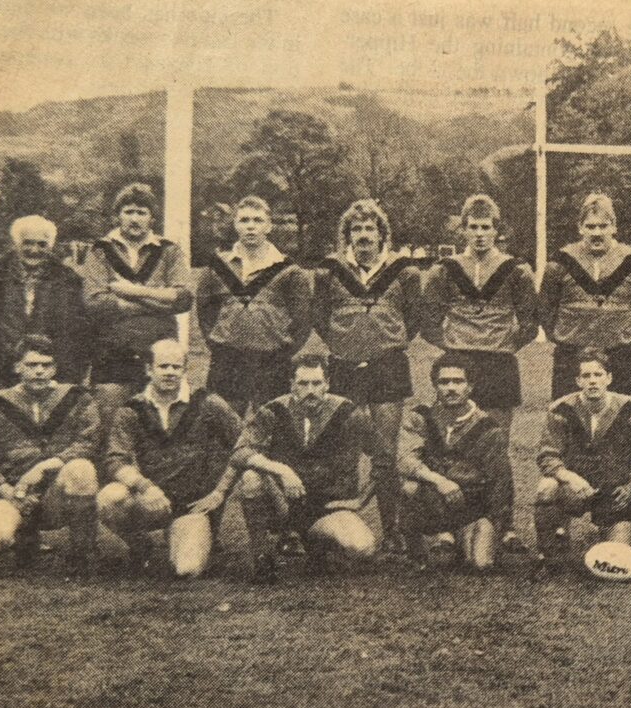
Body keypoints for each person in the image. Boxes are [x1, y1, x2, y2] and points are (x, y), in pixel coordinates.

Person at [420, 194, 537, 551]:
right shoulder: (445, 269)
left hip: (499, 365)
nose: (480, 234)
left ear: (496, 231)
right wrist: (454, 345)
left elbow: (530, 322)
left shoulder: (516, 269)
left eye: (486, 227)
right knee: (449, 445)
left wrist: (504, 345)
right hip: (458, 363)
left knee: (497, 448)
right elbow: (427, 320)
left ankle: (505, 526)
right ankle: (447, 526)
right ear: (464, 230)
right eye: (473, 227)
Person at [313, 199, 422, 554]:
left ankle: (392, 530)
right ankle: (341, 526)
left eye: (369, 229)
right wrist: (345, 343)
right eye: (356, 229)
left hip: (387, 367)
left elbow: (415, 316)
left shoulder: (403, 270)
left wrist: (386, 342)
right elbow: (319, 317)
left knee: (385, 453)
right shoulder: (329, 270)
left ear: (381, 235)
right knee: (342, 452)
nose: (363, 236)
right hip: (344, 367)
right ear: (347, 235)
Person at [96, 339, 242, 577]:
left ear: (185, 370)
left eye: (176, 367)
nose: (170, 373)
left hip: (191, 506)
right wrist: (145, 487)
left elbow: (244, 445)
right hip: (154, 500)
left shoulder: (208, 403)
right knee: (109, 499)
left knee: (188, 570)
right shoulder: (132, 409)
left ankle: (185, 534)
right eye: (163, 366)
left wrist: (220, 491)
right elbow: (115, 460)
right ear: (149, 369)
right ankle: (141, 546)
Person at [231, 354, 378, 583]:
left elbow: (385, 459)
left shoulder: (349, 413)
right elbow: (240, 452)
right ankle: (263, 557)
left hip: (327, 506)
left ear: (327, 384)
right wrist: (282, 470)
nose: (310, 390)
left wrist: (361, 500)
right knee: (251, 477)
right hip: (284, 501)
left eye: (317, 383)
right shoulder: (274, 410)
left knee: (361, 548)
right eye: (303, 383)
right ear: (292, 385)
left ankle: (317, 547)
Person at [0, 335, 99, 573]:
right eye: (32, 365)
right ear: (17, 367)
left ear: (55, 368)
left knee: (81, 469)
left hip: (57, 495)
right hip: (13, 493)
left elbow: (88, 442)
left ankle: (82, 553)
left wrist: (45, 466)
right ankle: (24, 540)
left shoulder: (77, 398)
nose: (39, 371)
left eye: (46, 365)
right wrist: (9, 492)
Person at [532, 348, 631, 578]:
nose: (592, 381)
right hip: (574, 489)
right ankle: (549, 555)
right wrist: (569, 477)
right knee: (546, 488)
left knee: (617, 560)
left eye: (598, 374)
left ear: (609, 378)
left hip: (613, 492)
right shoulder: (561, 409)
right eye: (586, 376)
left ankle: (605, 530)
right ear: (577, 381)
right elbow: (546, 455)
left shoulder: (630, 409)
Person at [0, 215, 90, 423]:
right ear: (17, 243)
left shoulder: (68, 279)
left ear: (50, 246)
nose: (34, 250)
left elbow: (77, 334)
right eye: (28, 243)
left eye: (41, 244)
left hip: (48, 369)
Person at [82, 184, 192, 430]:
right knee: (109, 423)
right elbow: (95, 304)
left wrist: (132, 292)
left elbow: (184, 299)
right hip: (113, 351)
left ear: (152, 217)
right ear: (117, 215)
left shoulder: (169, 251)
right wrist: (160, 301)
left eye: (141, 212)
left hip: (159, 352)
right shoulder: (100, 250)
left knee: (159, 422)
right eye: (129, 211)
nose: (135, 218)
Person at [196, 195, 312, 416]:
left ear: (268, 226)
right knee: (223, 430)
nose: (251, 227)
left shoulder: (289, 270)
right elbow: (204, 311)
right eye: (244, 220)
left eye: (257, 221)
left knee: (271, 429)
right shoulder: (216, 267)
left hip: (272, 361)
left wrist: (283, 350)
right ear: (236, 224)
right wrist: (218, 343)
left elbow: (303, 320)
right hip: (228, 360)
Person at [398, 352, 513, 571]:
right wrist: (438, 480)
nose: (451, 388)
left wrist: (496, 524)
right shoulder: (421, 417)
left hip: (472, 504)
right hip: (435, 498)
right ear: (435, 386)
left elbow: (501, 482)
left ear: (470, 386)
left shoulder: (488, 427)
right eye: (444, 382)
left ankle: (461, 534)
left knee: (481, 564)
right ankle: (418, 555)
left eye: (458, 381)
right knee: (409, 486)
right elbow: (404, 459)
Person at [539, 192, 631, 400]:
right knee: (567, 419)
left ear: (614, 227)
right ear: (580, 227)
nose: (597, 232)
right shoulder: (560, 262)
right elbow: (546, 311)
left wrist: (625, 341)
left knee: (617, 422)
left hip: (617, 355)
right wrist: (566, 337)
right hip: (571, 354)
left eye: (603, 226)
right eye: (590, 226)